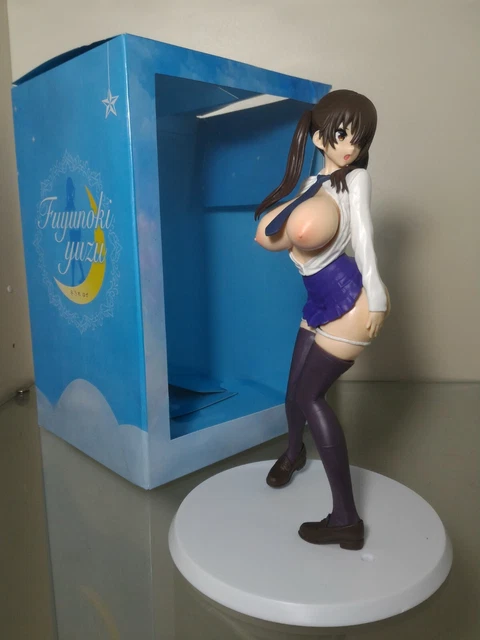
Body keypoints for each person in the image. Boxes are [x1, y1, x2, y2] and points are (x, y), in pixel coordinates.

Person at [254, 90, 389, 550]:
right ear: (318, 137)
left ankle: (346, 520)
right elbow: (276, 236)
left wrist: (377, 295)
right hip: (317, 302)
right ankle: (294, 453)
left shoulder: (357, 180)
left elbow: (364, 236)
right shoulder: (314, 183)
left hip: (350, 302)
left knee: (310, 396)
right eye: (342, 134)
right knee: (292, 389)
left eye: (359, 137)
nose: (351, 146)